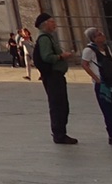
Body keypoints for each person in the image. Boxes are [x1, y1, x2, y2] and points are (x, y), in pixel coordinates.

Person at [33, 11, 78, 144]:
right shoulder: (44, 38)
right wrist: (61, 56)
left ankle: (60, 133)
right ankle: (59, 134)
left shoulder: (48, 37)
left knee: (62, 104)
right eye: (52, 22)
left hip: (55, 75)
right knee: (58, 105)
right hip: (53, 76)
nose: (55, 24)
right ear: (45, 24)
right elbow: (46, 57)